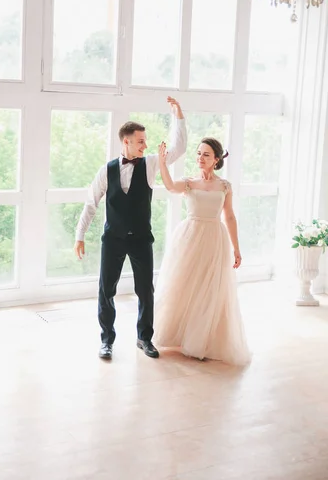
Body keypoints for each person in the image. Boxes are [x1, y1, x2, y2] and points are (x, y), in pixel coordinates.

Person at [74, 97, 187, 360]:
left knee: (145, 289)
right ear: (126, 141)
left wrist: (178, 116)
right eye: (140, 141)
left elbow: (178, 148)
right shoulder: (106, 170)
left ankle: (144, 338)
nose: (145, 145)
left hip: (140, 239)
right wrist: (80, 236)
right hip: (112, 239)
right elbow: (91, 204)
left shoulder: (149, 164)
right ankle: (106, 340)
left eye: (145, 141)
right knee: (106, 290)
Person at [154, 137, 251, 366]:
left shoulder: (224, 186)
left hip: (214, 238)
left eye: (206, 154)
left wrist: (236, 248)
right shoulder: (189, 182)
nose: (200, 158)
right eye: (198, 153)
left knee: (210, 289)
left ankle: (201, 339)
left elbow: (229, 216)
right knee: (185, 284)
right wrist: (162, 163)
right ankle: (177, 335)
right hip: (190, 236)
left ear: (216, 160)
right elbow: (169, 187)